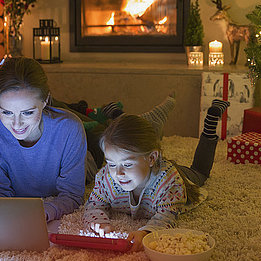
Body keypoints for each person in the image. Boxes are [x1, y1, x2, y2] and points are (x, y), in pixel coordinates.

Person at [83, 98, 230, 251]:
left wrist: (146, 232)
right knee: (127, 142)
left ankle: (210, 125)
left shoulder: (170, 182)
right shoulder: (105, 178)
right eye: (111, 163)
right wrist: (99, 223)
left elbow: (167, 216)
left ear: (152, 158)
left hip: (181, 175)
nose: (118, 173)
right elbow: (94, 205)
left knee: (200, 172)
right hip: (149, 166)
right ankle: (119, 116)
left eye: (127, 164)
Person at [0, 57, 88, 222]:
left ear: (45, 101)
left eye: (27, 112)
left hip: (83, 154)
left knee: (103, 141)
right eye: (6, 112)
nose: (17, 123)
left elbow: (73, 195)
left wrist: (45, 212)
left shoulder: (69, 128)